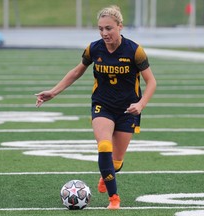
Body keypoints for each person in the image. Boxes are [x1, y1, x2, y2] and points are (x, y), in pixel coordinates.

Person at [35, 5, 156, 209]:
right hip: (103, 106)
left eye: (108, 28)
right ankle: (114, 199)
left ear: (120, 26)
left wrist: (141, 104)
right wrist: (53, 92)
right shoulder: (94, 48)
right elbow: (76, 71)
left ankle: (107, 173)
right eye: (100, 29)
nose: (104, 33)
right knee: (104, 146)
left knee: (116, 163)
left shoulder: (135, 51)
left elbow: (151, 81)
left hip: (128, 110)